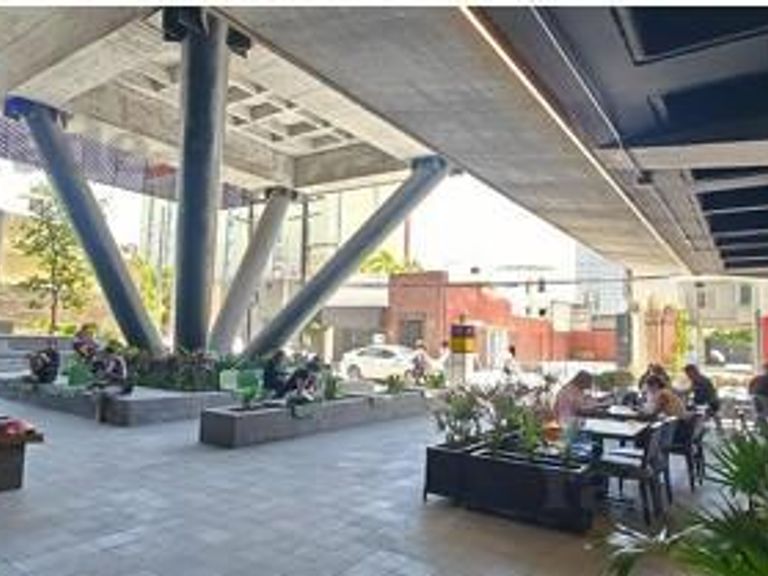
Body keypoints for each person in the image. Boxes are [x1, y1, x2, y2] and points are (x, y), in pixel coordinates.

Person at [90, 344, 131, 423]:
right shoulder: (108, 361)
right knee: (94, 389)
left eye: (103, 354)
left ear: (109, 353)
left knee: (103, 393)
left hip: (122, 385)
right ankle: (100, 414)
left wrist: (108, 374)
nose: (102, 356)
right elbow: (105, 376)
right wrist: (100, 380)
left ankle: (102, 417)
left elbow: (123, 377)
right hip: (112, 384)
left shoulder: (118, 360)